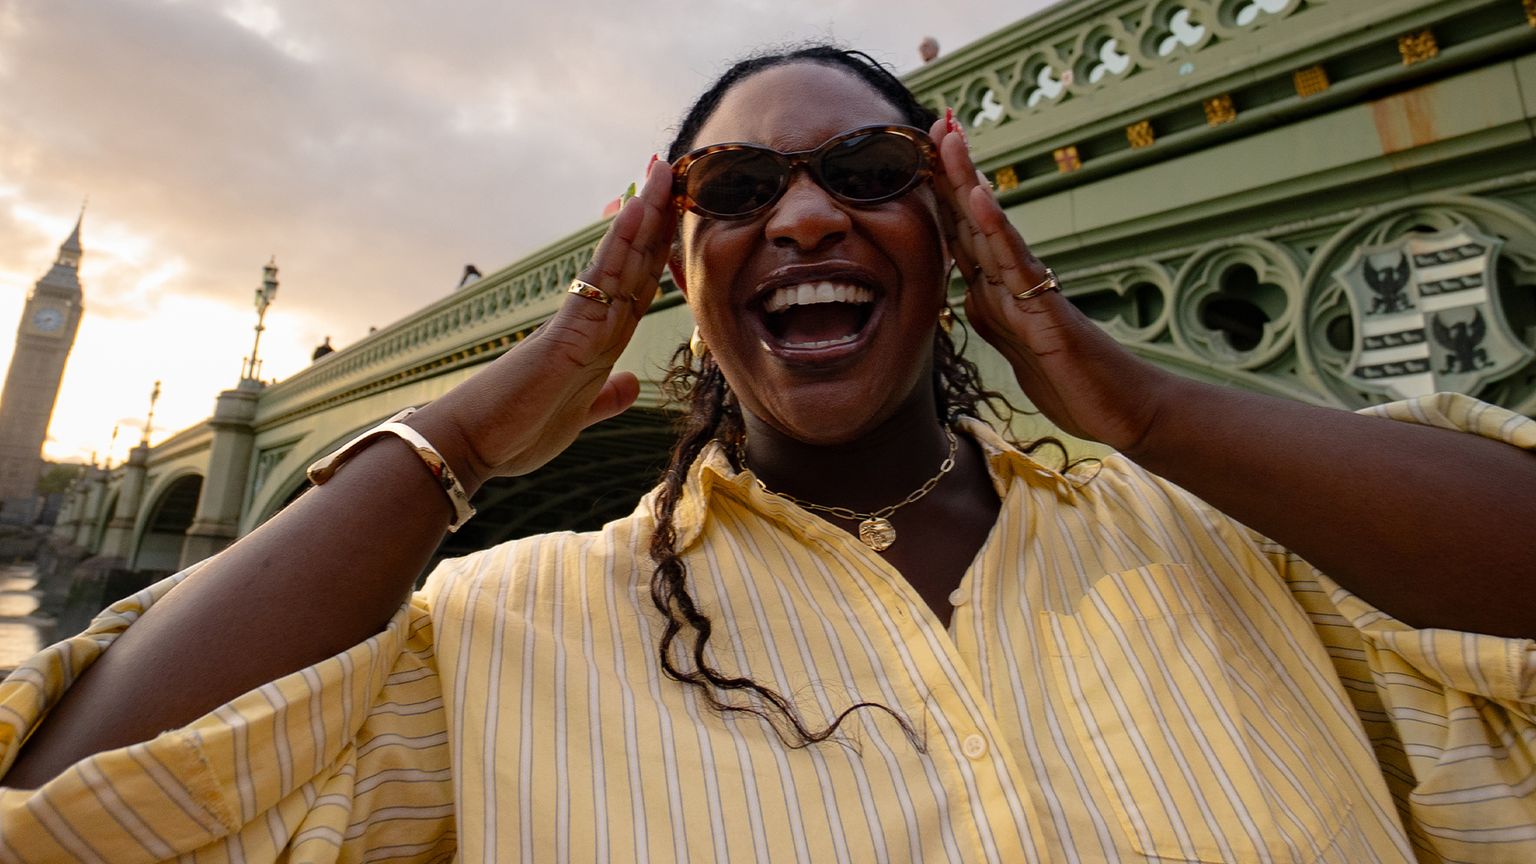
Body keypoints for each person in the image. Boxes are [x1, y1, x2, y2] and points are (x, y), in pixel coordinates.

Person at [2, 45, 1534, 863]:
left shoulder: (1226, 539)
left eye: (868, 172)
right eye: (735, 190)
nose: (804, 217)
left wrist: (1143, 411)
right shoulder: (498, 635)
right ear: (676, 268)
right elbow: (75, 812)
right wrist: (458, 434)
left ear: (953, 237)